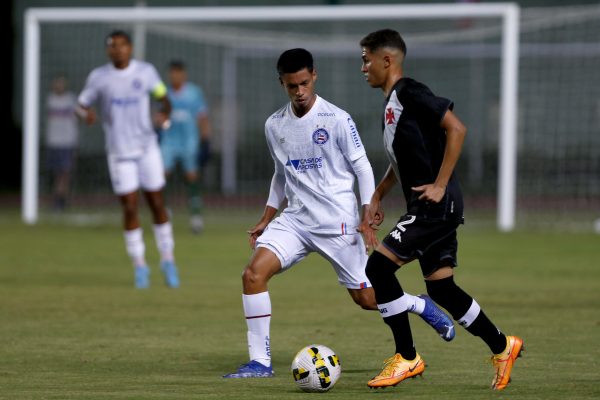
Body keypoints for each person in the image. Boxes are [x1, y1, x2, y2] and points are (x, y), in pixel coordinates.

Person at [223, 48, 455, 379]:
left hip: (338, 223)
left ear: (314, 76)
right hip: (296, 221)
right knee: (252, 275)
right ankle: (260, 362)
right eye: (292, 87)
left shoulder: (336, 119)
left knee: (365, 298)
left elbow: (361, 167)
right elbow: (280, 173)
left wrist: (366, 212)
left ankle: (418, 304)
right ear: (282, 84)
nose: (300, 92)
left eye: (304, 83)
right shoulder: (274, 125)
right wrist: (267, 216)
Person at [358, 29, 523, 390]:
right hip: (435, 204)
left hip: (436, 205)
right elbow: (400, 162)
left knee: (378, 267)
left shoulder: (409, 91)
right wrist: (377, 196)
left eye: (367, 59)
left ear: (387, 60)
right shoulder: (392, 103)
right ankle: (502, 345)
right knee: (442, 290)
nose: (363, 67)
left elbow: (457, 129)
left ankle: (407, 357)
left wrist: (440, 183)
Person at [76, 30, 180, 289]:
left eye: (122, 45)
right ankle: (140, 265)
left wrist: (164, 115)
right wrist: (84, 114)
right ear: (107, 50)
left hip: (147, 149)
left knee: (157, 203)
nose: (118, 50)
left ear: (130, 48)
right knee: (130, 207)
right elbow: (81, 104)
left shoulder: (146, 72)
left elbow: (163, 98)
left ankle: (168, 259)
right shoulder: (99, 78)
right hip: (119, 153)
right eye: (113, 46)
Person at [159, 60, 212, 234]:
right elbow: (161, 117)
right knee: (161, 175)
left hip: (190, 141)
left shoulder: (194, 93)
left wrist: (205, 140)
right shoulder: (164, 93)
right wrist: (160, 125)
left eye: (178, 72)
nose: (175, 76)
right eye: (172, 73)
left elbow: (202, 116)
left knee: (191, 177)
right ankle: (163, 213)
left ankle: (196, 218)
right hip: (169, 141)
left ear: (184, 74)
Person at [44, 75, 79, 211]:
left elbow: (79, 116)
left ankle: (61, 201)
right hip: (53, 142)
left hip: (67, 142)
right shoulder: (50, 99)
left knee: (64, 174)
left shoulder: (71, 99)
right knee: (57, 174)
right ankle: (60, 199)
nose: (59, 85)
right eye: (57, 83)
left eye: (61, 83)